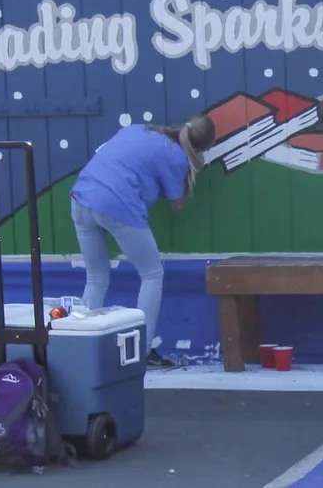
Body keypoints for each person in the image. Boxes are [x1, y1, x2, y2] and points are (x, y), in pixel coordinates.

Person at [68, 115, 215, 367]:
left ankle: (80, 347)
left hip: (81, 197)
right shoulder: (178, 158)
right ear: (201, 148)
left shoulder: (137, 130)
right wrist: (195, 168)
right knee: (151, 274)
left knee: (96, 278)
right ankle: (142, 349)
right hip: (117, 205)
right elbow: (177, 204)